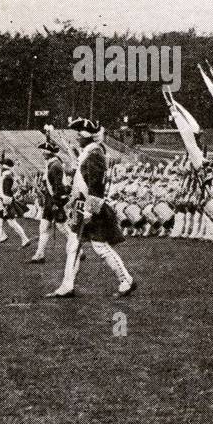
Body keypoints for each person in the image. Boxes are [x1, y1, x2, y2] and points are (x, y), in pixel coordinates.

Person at [47, 118, 135, 298]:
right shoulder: (88, 153)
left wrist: (89, 211)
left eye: (80, 134)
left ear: (87, 136)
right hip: (81, 207)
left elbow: (96, 187)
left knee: (100, 247)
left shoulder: (94, 155)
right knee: (73, 246)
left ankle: (126, 280)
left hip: (90, 209)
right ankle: (67, 285)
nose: (77, 137)